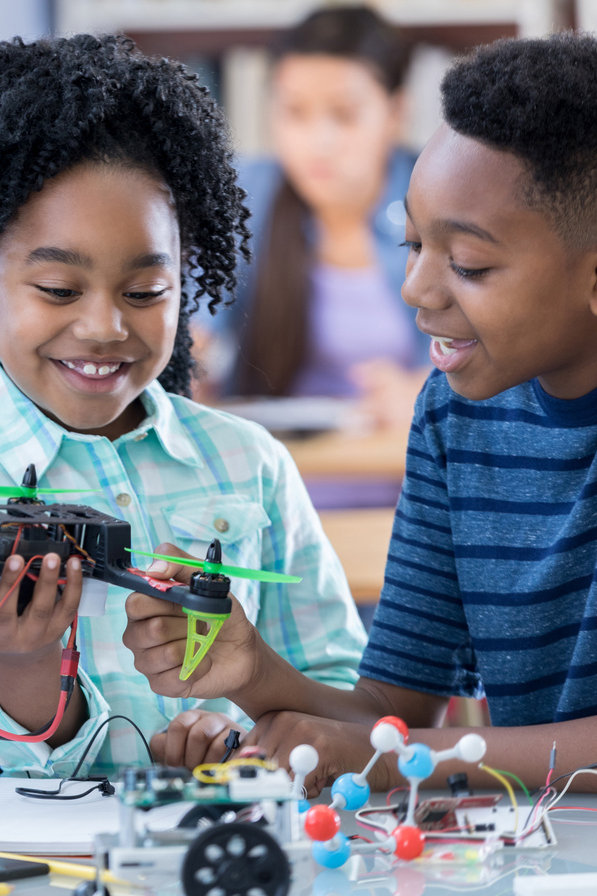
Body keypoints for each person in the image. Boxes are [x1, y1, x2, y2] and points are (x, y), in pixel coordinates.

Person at [0, 34, 367, 777]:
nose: (106, 326)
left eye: (145, 292)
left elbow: (346, 699)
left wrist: (244, 723)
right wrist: (30, 663)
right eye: (59, 291)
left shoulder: (248, 461)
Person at [124, 33, 597, 793]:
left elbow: (393, 744)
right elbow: (387, 706)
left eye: (469, 265)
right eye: (411, 245)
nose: (417, 288)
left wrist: (415, 759)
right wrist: (251, 669)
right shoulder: (454, 413)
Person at [207, 6, 426, 434]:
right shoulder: (243, 195)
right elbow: (193, 322)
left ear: (396, 113)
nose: (318, 142)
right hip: (278, 474)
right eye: (295, 112)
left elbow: (507, 363)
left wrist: (432, 391)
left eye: (343, 115)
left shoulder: (443, 202)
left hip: (404, 475)